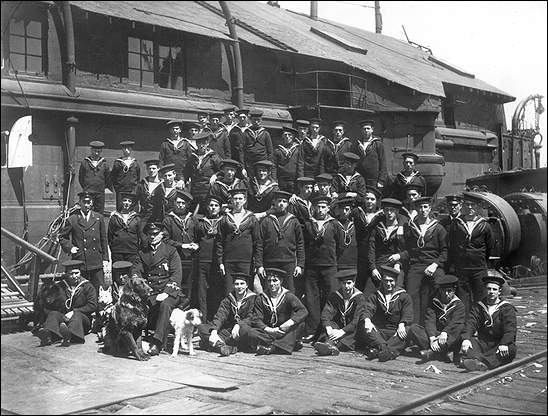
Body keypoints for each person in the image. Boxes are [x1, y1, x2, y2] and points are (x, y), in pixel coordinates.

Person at [131, 222, 186, 356]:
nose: (152, 237)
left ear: (162, 235)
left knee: (165, 305)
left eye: (155, 234)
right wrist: (139, 285)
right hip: (150, 290)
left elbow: (176, 275)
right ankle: (133, 339)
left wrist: (166, 292)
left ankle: (157, 342)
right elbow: (136, 271)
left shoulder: (171, 251)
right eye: (150, 234)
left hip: (169, 291)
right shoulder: (142, 252)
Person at [395, 196, 448, 325]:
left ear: (430, 209)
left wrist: (435, 265)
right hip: (416, 264)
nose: (422, 210)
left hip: (434, 264)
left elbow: (445, 252)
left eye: (425, 207)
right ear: (416, 209)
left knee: (439, 287)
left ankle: (435, 324)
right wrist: (399, 257)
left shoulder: (438, 228)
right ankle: (414, 327)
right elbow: (409, 250)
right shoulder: (410, 227)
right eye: (420, 207)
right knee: (411, 292)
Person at [302, 195, 345, 342]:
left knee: (330, 297)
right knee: (311, 298)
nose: (320, 210)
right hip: (312, 267)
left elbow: (340, 246)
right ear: (314, 208)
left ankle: (328, 330)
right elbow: (304, 245)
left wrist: (332, 259)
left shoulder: (334, 224)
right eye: (318, 207)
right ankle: (312, 330)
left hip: (329, 266)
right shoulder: (308, 224)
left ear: (328, 208)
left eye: (323, 207)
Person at [241, 268, 308, 355]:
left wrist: (288, 323)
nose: (272, 284)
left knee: (299, 325)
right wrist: (269, 330)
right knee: (251, 333)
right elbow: (257, 319)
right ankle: (284, 344)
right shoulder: (261, 298)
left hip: (284, 330)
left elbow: (303, 311)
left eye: (275, 281)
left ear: (281, 281)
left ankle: (271, 347)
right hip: (269, 332)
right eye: (269, 281)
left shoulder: (288, 296)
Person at [448, 193, 495, 316]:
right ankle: (465, 326)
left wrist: (480, 260)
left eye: (473, 205)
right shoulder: (457, 224)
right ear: (463, 206)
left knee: (480, 297)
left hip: (478, 268)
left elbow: (489, 247)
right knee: (463, 298)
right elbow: (451, 245)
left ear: (478, 207)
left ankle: (479, 323)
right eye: (467, 205)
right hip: (462, 268)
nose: (470, 208)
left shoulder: (485, 225)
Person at [459, 270, 517, 371]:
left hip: (499, 343)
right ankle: (481, 362)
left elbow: (510, 330)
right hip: (483, 343)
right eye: (489, 289)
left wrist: (504, 343)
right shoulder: (479, 306)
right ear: (485, 290)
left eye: (494, 289)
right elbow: (470, 323)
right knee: (470, 342)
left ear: (499, 292)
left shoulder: (507, 308)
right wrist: (466, 338)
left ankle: (481, 362)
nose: (491, 292)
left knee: (509, 349)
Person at [356, 265, 413, 362]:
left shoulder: (404, 296)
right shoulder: (375, 295)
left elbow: (408, 313)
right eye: (386, 280)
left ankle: (378, 350)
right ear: (382, 280)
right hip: (380, 332)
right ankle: (386, 350)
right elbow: (367, 309)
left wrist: (402, 324)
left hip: (396, 332)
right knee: (365, 327)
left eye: (391, 281)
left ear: (395, 281)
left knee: (410, 329)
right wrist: (367, 320)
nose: (388, 284)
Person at [34, 260, 97, 347]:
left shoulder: (87, 286)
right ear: (66, 274)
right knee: (53, 314)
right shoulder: (61, 286)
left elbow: (92, 305)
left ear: (80, 273)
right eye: (71, 274)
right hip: (64, 319)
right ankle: (48, 335)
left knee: (77, 315)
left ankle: (70, 336)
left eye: (76, 273)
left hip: (82, 321)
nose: (74, 276)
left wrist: (74, 311)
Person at [59, 191, 109, 294]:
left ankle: (99, 309)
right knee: (82, 290)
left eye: (88, 202)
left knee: (99, 289)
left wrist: (105, 258)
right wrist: (70, 248)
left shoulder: (99, 218)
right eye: (84, 202)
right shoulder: (72, 219)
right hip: (80, 260)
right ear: (80, 203)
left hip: (96, 261)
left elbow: (104, 239)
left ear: (92, 203)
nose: (86, 205)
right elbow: (62, 237)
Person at [407, 274, 465, 363]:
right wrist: (432, 338)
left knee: (459, 329)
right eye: (443, 291)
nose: (446, 294)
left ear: (454, 290)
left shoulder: (459, 305)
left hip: (449, 337)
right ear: (439, 290)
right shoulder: (434, 302)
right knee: (414, 328)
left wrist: (445, 332)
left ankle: (432, 352)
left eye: (449, 291)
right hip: (436, 334)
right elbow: (430, 321)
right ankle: (440, 352)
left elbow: (455, 323)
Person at [256, 190, 305, 294]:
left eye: (284, 201)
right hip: (270, 261)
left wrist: (300, 265)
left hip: (289, 262)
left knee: (289, 291)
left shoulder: (294, 221)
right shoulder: (267, 221)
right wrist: (259, 265)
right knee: (269, 290)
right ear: (274, 202)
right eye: (279, 201)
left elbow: (300, 244)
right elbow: (259, 244)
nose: (281, 204)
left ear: (287, 204)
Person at [198, 272, 257, 356]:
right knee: (202, 328)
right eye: (236, 284)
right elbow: (221, 315)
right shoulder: (229, 298)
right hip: (229, 331)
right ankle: (222, 346)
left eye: (242, 284)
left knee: (248, 331)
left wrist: (239, 325)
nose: (239, 287)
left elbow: (251, 317)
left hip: (242, 331)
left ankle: (214, 345)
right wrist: (214, 331)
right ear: (233, 285)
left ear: (247, 285)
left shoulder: (253, 299)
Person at [216, 189, 260, 295]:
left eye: (240, 199)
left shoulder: (252, 218)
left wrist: (257, 263)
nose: (238, 201)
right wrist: (220, 262)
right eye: (235, 199)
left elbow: (257, 242)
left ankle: (246, 312)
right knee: (229, 291)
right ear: (231, 201)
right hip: (229, 261)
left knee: (246, 291)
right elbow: (219, 242)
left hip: (246, 261)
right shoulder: (225, 219)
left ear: (244, 200)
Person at [313, 269, 366, 356]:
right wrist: (328, 327)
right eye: (343, 283)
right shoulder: (335, 296)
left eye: (349, 283)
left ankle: (329, 345)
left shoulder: (359, 298)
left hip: (351, 329)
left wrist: (342, 331)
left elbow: (356, 321)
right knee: (331, 325)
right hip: (338, 328)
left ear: (354, 283)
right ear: (340, 284)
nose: (346, 286)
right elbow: (326, 313)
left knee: (353, 334)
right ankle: (331, 347)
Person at [162, 190, 199, 300]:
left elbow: (199, 237)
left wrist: (197, 245)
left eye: (183, 203)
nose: (181, 205)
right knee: (176, 283)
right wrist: (182, 245)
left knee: (191, 284)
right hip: (175, 257)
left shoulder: (193, 219)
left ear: (188, 204)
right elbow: (165, 240)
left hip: (191, 257)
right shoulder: (168, 219)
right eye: (178, 202)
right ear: (174, 203)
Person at [194, 194, 224, 319]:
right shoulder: (200, 222)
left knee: (216, 290)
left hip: (217, 261)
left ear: (220, 208)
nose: (213, 208)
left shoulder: (224, 221)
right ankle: (203, 319)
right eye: (211, 205)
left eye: (216, 206)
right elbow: (195, 238)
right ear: (207, 207)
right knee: (202, 291)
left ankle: (215, 318)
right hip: (203, 260)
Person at [368, 198, 406, 288]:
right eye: (386, 210)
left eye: (392, 210)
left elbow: (406, 250)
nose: (389, 213)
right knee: (368, 293)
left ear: (397, 211)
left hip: (395, 264)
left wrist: (398, 264)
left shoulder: (403, 228)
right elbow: (371, 248)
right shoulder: (378, 227)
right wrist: (373, 268)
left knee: (396, 291)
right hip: (379, 264)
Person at [352, 186, 383, 295]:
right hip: (359, 254)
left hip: (375, 255)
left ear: (377, 201)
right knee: (359, 285)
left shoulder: (381, 216)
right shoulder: (357, 212)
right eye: (367, 198)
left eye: (372, 199)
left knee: (375, 286)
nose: (369, 202)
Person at [184, 131, 222, 213]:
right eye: (199, 143)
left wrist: (216, 175)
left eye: (203, 144)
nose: (201, 146)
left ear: (207, 143)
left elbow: (222, 171)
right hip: (195, 190)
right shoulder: (192, 157)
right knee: (194, 212)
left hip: (208, 190)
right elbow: (186, 172)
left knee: (208, 211)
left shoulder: (213, 157)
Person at [350, 120, 387, 189]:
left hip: (373, 179)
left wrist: (381, 180)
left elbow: (383, 162)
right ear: (361, 130)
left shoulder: (377, 144)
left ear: (372, 130)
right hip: (360, 178)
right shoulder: (357, 144)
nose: (366, 131)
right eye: (364, 129)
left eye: (368, 128)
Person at [107, 192, 143, 264]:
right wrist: (114, 247)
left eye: (129, 201)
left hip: (132, 251)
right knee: (118, 272)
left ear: (132, 203)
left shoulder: (137, 218)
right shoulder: (114, 217)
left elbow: (140, 235)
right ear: (121, 202)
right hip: (117, 251)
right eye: (125, 200)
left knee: (131, 272)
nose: (127, 203)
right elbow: (110, 235)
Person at [78, 140, 111, 216]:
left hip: (100, 193)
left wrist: (102, 188)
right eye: (95, 151)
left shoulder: (104, 164)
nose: (96, 153)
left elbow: (108, 178)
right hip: (88, 192)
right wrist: (87, 187)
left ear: (101, 151)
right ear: (91, 150)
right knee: (87, 213)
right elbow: (81, 178)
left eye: (98, 152)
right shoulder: (85, 163)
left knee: (99, 214)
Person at [110, 140, 140, 210]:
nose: (127, 151)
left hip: (132, 191)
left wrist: (135, 188)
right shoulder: (117, 163)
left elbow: (138, 177)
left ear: (131, 149)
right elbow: (113, 177)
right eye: (125, 149)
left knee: (132, 209)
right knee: (121, 209)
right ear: (122, 149)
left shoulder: (135, 163)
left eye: (129, 149)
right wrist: (118, 188)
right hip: (121, 191)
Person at [272, 126, 303, 193]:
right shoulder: (278, 150)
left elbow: (300, 166)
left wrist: (300, 181)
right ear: (282, 136)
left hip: (294, 181)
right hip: (281, 181)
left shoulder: (298, 150)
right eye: (285, 135)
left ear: (293, 136)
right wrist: (274, 180)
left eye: (290, 135)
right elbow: (274, 166)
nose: (287, 137)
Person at [331, 194, 358, 271]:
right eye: (341, 209)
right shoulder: (334, 224)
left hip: (353, 263)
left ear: (350, 210)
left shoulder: (355, 225)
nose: (344, 212)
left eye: (346, 209)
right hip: (338, 263)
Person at [136, 159, 164, 225]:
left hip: (159, 218)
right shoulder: (142, 184)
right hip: (144, 216)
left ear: (158, 169)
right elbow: (135, 200)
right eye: (149, 168)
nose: (151, 170)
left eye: (154, 168)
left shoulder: (163, 184)